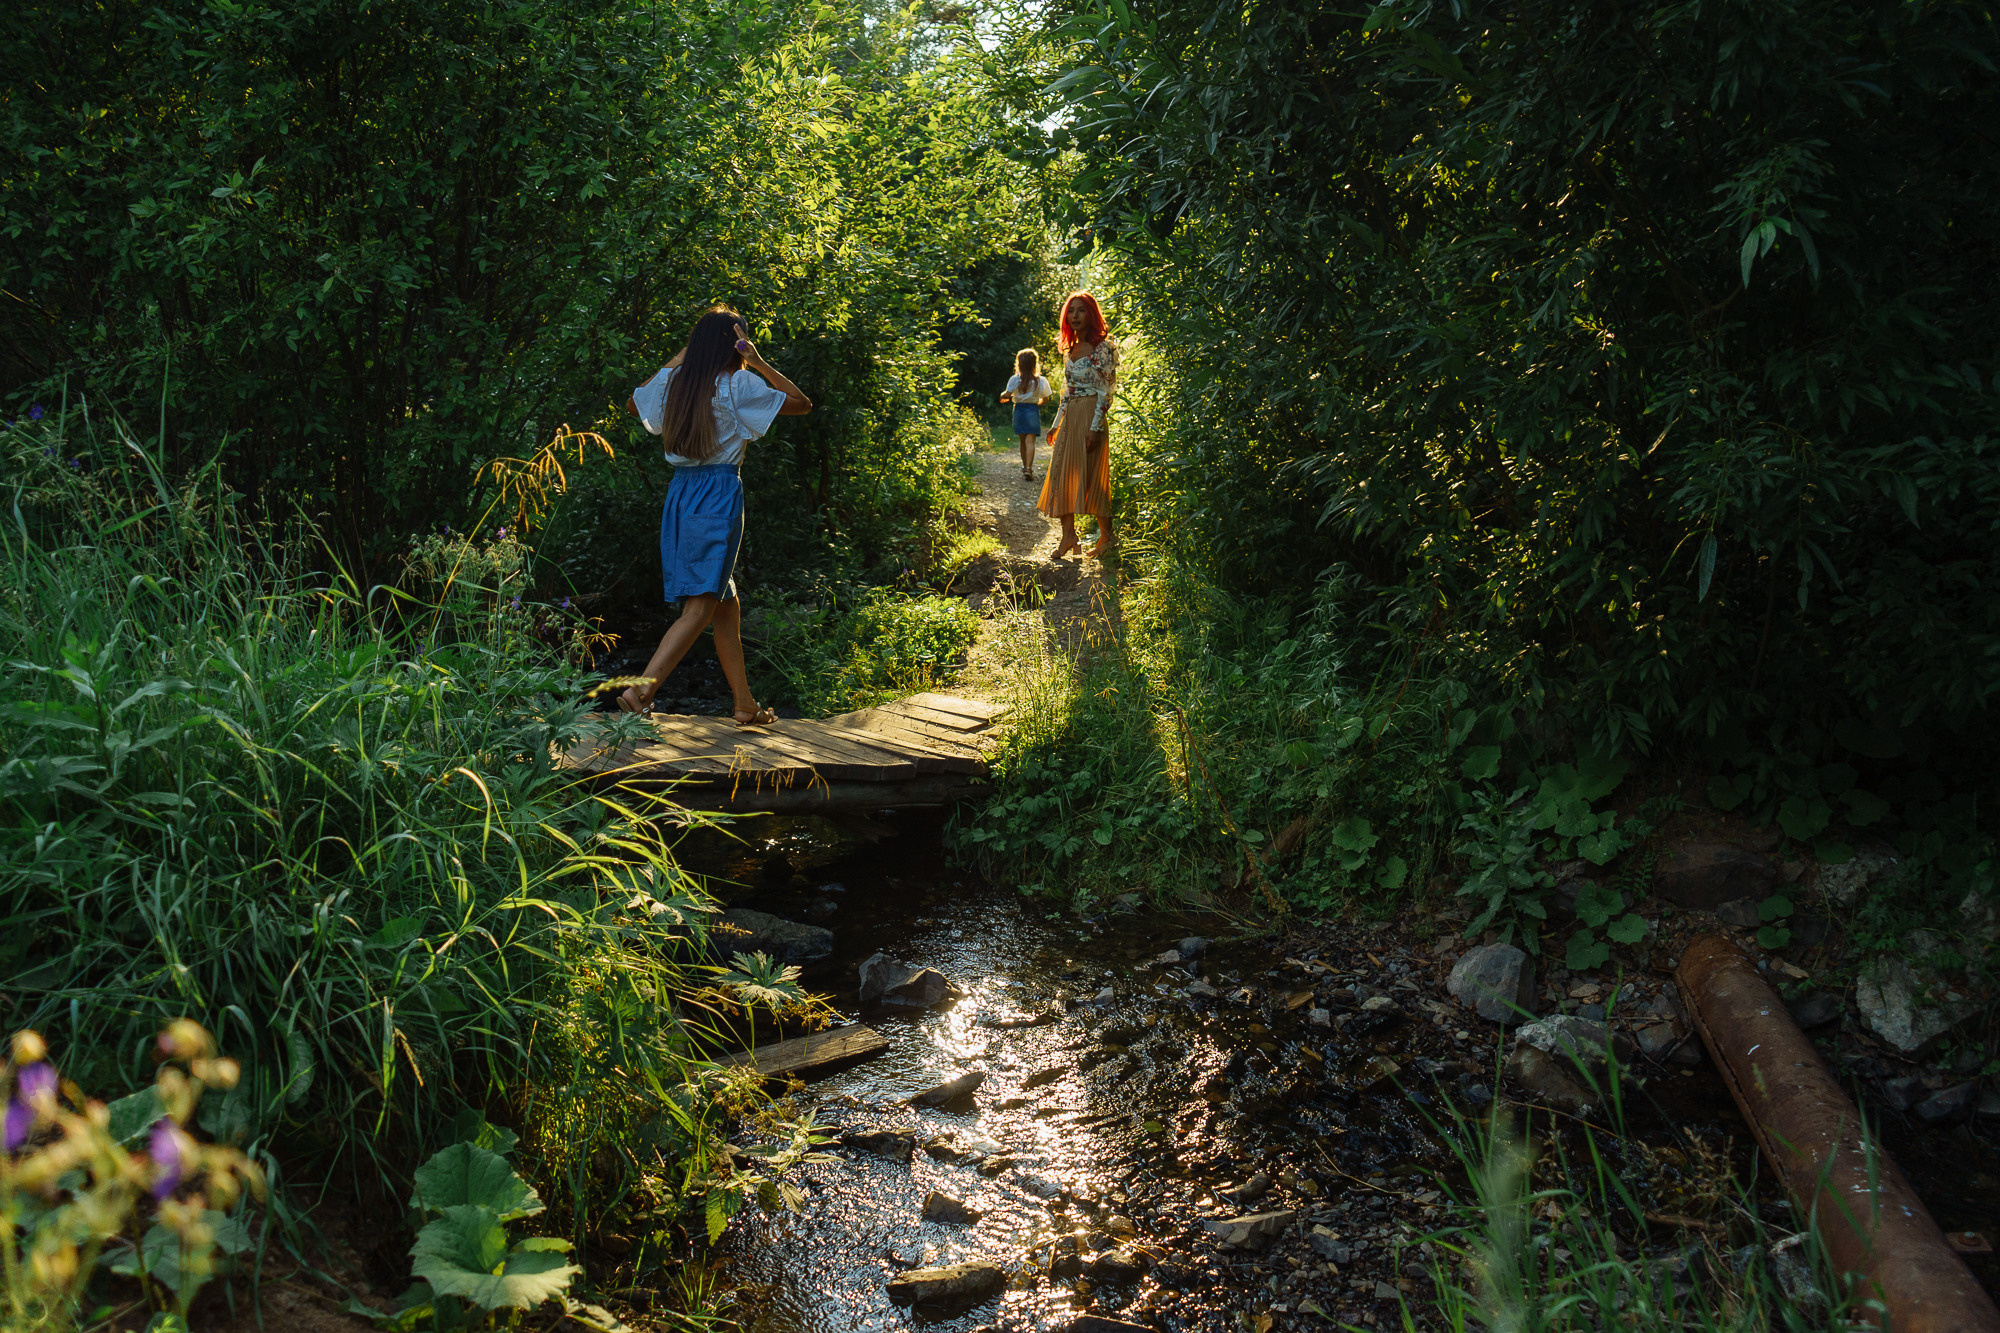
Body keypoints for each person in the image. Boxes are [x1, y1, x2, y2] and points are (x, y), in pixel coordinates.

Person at [620, 306, 811, 723]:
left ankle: (744, 703)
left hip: (681, 496)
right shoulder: (738, 384)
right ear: (736, 344)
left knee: (725, 601)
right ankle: (641, 692)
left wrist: (681, 357)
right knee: (700, 607)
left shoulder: (674, 383)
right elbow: (801, 403)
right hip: (717, 494)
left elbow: (636, 405)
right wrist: (758, 361)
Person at [1038, 291, 1117, 560]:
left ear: (1091, 314)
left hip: (1091, 417)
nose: (1075, 316)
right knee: (1061, 474)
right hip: (1071, 416)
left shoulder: (1102, 348)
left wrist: (1095, 427)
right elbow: (1068, 390)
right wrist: (1055, 423)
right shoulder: (1070, 349)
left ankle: (1107, 538)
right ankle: (1068, 536)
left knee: (1094, 476)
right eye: (1071, 311)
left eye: (1081, 310)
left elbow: (1106, 391)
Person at [999, 348, 1051, 482]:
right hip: (1032, 409)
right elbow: (1046, 398)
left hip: (1019, 410)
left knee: (1022, 440)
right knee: (1031, 441)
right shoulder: (1041, 380)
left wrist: (1002, 396)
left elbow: (1007, 394)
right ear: (1035, 363)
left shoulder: (1015, 379)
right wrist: (1037, 403)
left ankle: (1024, 466)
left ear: (1019, 364)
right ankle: (1029, 467)